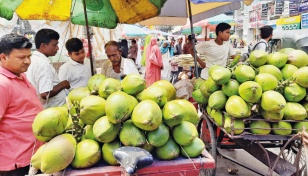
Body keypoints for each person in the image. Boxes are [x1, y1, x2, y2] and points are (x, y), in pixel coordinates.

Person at [0, 34, 44, 176]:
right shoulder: (2, 84)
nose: (27, 61)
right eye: (21, 58)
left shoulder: (21, 75)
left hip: (33, 156)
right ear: (3, 57)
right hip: (15, 163)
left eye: (29, 56)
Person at [26, 29, 70, 109]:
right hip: (53, 111)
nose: (57, 48)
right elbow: (45, 94)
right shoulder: (43, 64)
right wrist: (63, 84)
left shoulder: (35, 59)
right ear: (43, 46)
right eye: (54, 45)